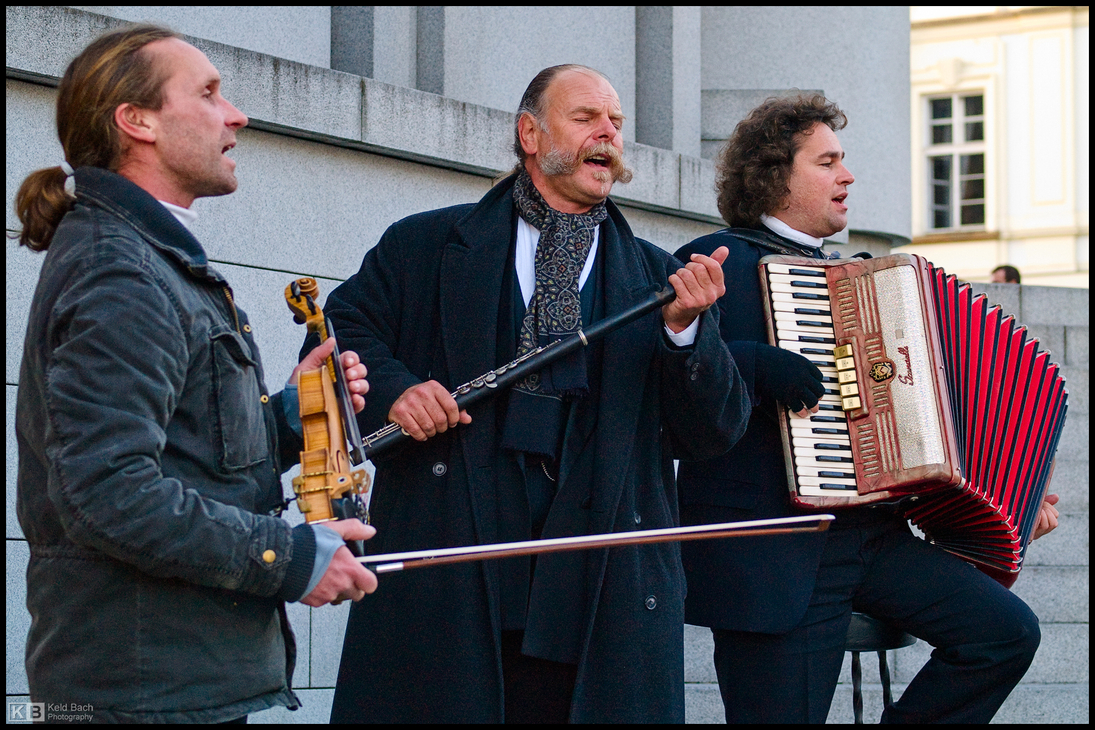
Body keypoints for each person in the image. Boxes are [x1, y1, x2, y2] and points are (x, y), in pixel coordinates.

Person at [322, 64, 750, 723]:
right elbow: (341, 335)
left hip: (594, 581)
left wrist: (687, 333)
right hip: (455, 559)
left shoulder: (662, 280)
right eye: (586, 118)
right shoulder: (425, 244)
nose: (608, 133)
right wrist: (397, 391)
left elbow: (713, 433)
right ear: (530, 133)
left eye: (616, 124)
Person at [14, 25, 377, 723]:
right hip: (143, 696)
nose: (235, 114)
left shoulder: (145, 257)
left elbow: (186, 458)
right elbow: (106, 493)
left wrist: (296, 416)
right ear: (136, 121)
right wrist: (291, 557)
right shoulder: (121, 271)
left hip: (174, 686)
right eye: (209, 93)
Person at [674, 93, 1058, 723]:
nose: (846, 175)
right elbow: (666, 389)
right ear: (775, 174)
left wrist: (1014, 499)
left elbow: (923, 421)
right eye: (827, 162)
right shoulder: (717, 263)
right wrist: (749, 362)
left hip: (873, 540)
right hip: (776, 550)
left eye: (843, 160)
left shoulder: (867, 284)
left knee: (1003, 633)